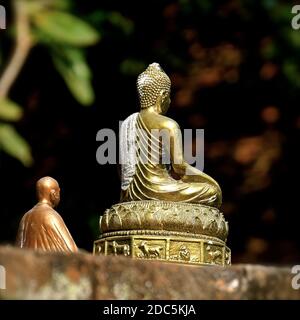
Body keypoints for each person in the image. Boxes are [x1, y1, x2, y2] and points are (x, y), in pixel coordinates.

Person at [120, 63, 222, 208]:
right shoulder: (168, 125)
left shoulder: (127, 124)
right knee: (211, 192)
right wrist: (211, 181)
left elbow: (123, 171)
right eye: (169, 97)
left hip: (131, 196)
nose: (170, 101)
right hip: (159, 188)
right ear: (163, 96)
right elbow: (180, 167)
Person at [16, 176, 78, 252]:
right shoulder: (52, 216)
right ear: (53, 194)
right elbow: (71, 250)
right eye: (58, 192)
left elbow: (18, 249)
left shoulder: (25, 217)